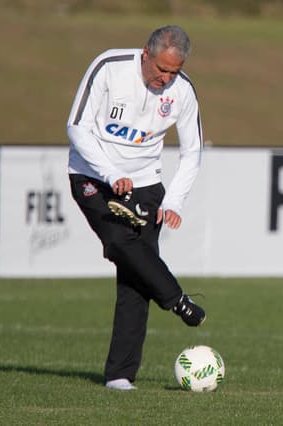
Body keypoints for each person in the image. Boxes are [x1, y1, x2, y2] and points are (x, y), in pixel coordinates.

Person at [67, 25, 206, 391]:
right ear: (146, 53)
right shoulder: (109, 66)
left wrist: (173, 200)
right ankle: (177, 300)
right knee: (118, 242)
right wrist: (110, 173)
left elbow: (192, 152)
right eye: (162, 69)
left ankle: (120, 375)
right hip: (93, 175)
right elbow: (77, 127)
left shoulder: (183, 92)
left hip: (146, 184)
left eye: (174, 72)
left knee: (136, 276)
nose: (166, 79)